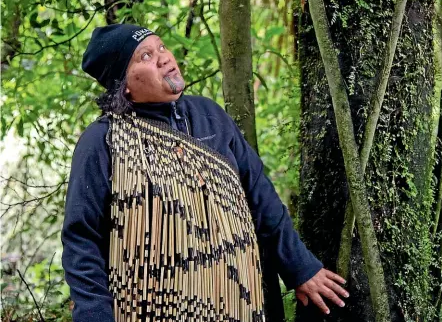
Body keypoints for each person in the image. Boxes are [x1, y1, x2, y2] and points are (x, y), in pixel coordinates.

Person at [61, 24, 348, 322]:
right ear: (125, 84)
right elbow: (82, 239)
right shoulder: (103, 141)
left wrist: (300, 267)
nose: (163, 58)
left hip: (240, 301)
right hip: (151, 307)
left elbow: (261, 198)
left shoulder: (211, 117)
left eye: (161, 47)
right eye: (145, 56)